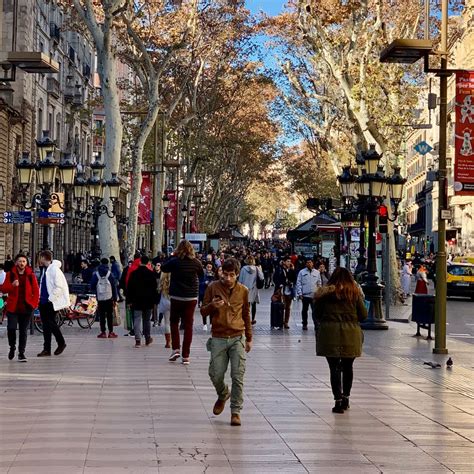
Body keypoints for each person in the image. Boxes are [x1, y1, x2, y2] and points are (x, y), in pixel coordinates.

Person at [201, 258, 252, 426]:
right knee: (215, 373)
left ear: (237, 275)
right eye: (225, 274)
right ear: (221, 272)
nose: (228, 278)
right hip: (218, 337)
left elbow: (246, 315)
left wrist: (249, 338)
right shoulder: (212, 287)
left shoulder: (243, 291)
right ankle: (223, 393)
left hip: (237, 336)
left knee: (238, 375)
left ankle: (235, 411)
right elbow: (202, 311)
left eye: (232, 275)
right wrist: (212, 306)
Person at [313, 267, 367, 413]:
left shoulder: (324, 294)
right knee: (348, 367)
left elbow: (317, 314)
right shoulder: (354, 294)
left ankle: (337, 400)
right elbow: (363, 315)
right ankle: (346, 398)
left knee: (334, 368)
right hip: (351, 335)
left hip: (329, 335)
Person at [161, 240, 204, 365]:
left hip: (177, 296)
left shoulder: (175, 261)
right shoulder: (196, 262)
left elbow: (164, 267)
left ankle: (175, 349)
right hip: (191, 298)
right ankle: (186, 355)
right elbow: (201, 275)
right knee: (189, 325)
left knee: (174, 322)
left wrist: (172, 255)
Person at [0, 254, 39, 362]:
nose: (21, 263)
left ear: (26, 263)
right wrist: (12, 285)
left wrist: (34, 304)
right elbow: (3, 289)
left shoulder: (30, 275)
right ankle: (12, 347)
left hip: (26, 307)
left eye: (24, 261)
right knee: (11, 328)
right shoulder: (10, 274)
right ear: (16, 262)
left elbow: (36, 291)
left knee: (23, 331)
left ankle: (21, 353)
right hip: (13, 307)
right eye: (20, 261)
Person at [37, 250, 69, 357]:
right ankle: (47, 349)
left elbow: (59, 286)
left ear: (43, 257)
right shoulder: (45, 270)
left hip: (50, 302)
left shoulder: (54, 270)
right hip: (43, 301)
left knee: (51, 323)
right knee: (46, 326)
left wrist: (51, 298)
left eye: (39, 257)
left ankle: (61, 342)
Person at [126, 255, 158, 347]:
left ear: (140, 262)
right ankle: (147, 338)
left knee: (137, 319)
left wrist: (129, 301)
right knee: (147, 320)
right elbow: (154, 288)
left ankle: (137, 340)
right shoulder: (151, 274)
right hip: (148, 301)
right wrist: (155, 301)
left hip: (136, 300)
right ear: (148, 263)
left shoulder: (134, 274)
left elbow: (129, 288)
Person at [90, 258, 119, 339]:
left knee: (102, 315)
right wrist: (115, 298)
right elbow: (114, 287)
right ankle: (111, 332)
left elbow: (92, 285)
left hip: (100, 298)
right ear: (108, 264)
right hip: (109, 297)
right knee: (110, 315)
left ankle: (103, 332)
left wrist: (96, 292)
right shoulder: (110, 274)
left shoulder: (96, 274)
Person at [295, 258, 322, 330]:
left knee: (314, 311)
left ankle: (316, 324)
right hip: (305, 295)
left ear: (312, 263)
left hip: (314, 295)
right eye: (307, 262)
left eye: (310, 262)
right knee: (304, 310)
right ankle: (304, 324)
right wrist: (300, 293)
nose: (309, 264)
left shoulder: (317, 272)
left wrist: (319, 293)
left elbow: (319, 283)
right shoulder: (302, 272)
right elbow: (298, 283)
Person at [238, 256, 264, 325]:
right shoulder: (257, 268)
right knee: (254, 304)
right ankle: (253, 319)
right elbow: (261, 277)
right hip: (254, 288)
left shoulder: (243, 269)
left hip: (245, 289)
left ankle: (247, 319)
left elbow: (240, 280)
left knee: (246, 305)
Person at [273, 256, 297, 329]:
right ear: (284, 262)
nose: (289, 263)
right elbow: (275, 278)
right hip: (281, 291)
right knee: (281, 307)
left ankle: (286, 322)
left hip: (289, 291)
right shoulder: (279, 269)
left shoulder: (291, 270)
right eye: (287, 261)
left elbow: (294, 279)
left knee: (288, 307)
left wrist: (291, 282)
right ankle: (280, 321)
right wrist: (281, 283)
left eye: (290, 261)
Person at [199, 263, 216, 329]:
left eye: (210, 267)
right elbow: (200, 283)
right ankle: (204, 324)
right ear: (206, 267)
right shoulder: (203, 274)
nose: (209, 268)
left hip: (211, 294)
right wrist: (204, 283)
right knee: (204, 308)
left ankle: (211, 323)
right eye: (208, 267)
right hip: (203, 293)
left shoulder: (213, 275)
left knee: (211, 308)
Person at [158, 272, 171, 348]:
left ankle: (168, 342)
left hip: (165, 300)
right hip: (175, 300)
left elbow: (159, 289)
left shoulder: (163, 278)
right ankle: (175, 340)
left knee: (167, 322)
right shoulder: (176, 277)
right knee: (175, 322)